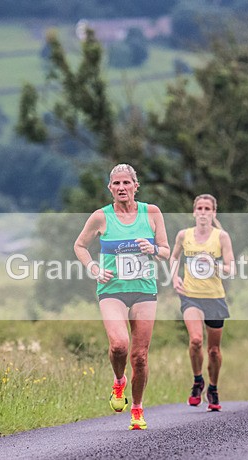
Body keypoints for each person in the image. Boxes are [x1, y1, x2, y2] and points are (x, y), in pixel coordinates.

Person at [73, 163, 170, 430]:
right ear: (110, 188)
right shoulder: (101, 217)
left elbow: (165, 251)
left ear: (135, 186)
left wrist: (151, 248)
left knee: (140, 356)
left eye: (126, 183)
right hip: (112, 290)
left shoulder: (151, 213)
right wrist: (93, 267)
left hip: (144, 290)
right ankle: (119, 381)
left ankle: (137, 409)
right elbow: (80, 245)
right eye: (116, 184)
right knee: (119, 345)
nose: (121, 188)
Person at [170, 194, 235, 412]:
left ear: (214, 213)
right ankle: (198, 380)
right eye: (200, 208)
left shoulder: (221, 237)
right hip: (190, 296)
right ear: (194, 212)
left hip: (215, 298)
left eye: (208, 208)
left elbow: (230, 268)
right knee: (196, 340)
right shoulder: (184, 235)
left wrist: (214, 265)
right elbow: (174, 257)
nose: (203, 212)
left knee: (214, 350)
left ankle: (213, 388)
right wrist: (174, 277)